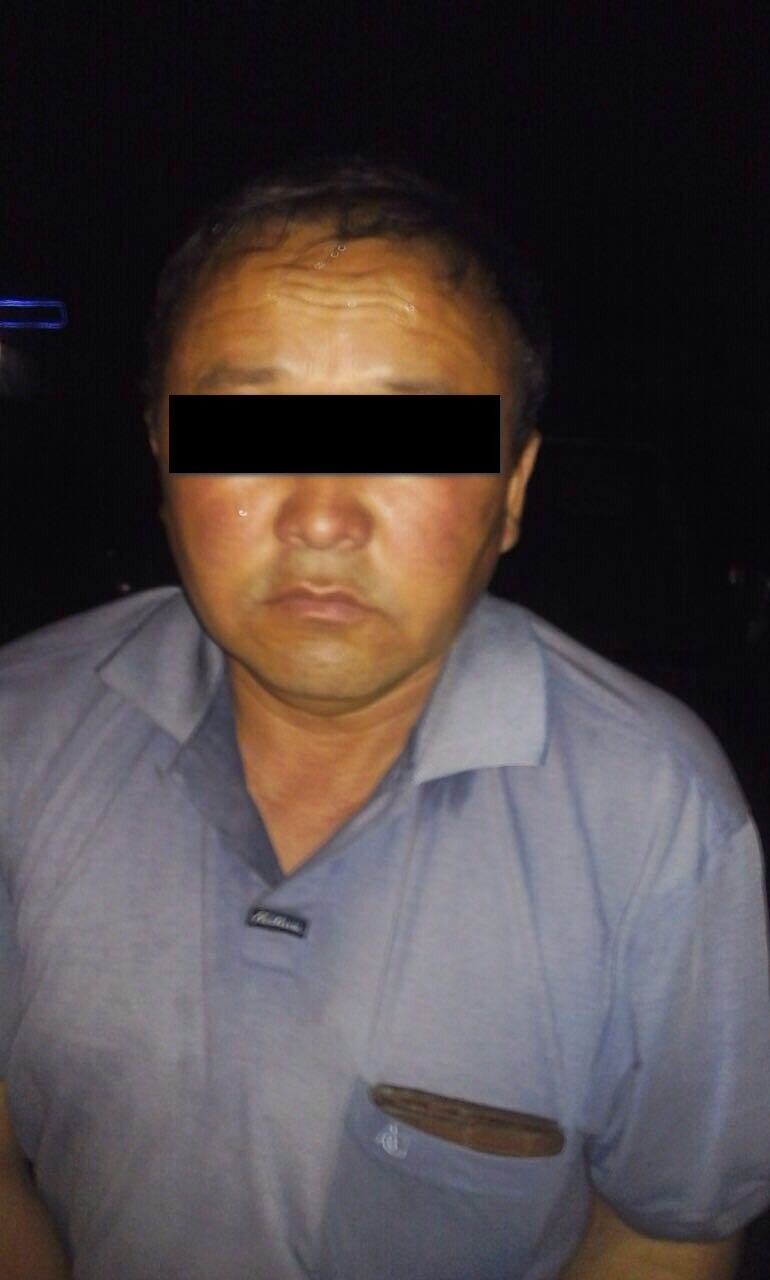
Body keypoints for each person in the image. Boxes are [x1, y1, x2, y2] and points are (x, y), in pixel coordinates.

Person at [1, 153, 768, 1280]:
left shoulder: (656, 816)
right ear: (162, 453)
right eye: (246, 426)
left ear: (511, 489)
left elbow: (663, 1228)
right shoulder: (18, 736)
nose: (321, 515)